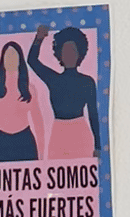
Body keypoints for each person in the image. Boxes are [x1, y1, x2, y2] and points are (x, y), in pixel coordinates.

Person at [27, 25, 101, 159]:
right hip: (58, 135)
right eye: (65, 51)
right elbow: (32, 61)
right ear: (59, 54)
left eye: (72, 50)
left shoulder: (88, 82)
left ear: (80, 53)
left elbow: (93, 115)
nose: (69, 54)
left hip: (81, 136)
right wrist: (39, 38)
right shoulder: (53, 79)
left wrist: (98, 146)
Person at [0, 41, 44, 161]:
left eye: (14, 56)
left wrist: (41, 153)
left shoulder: (29, 89)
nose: (10, 59)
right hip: (2, 142)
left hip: (25, 143)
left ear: (20, 60)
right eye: (7, 56)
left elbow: (38, 121)